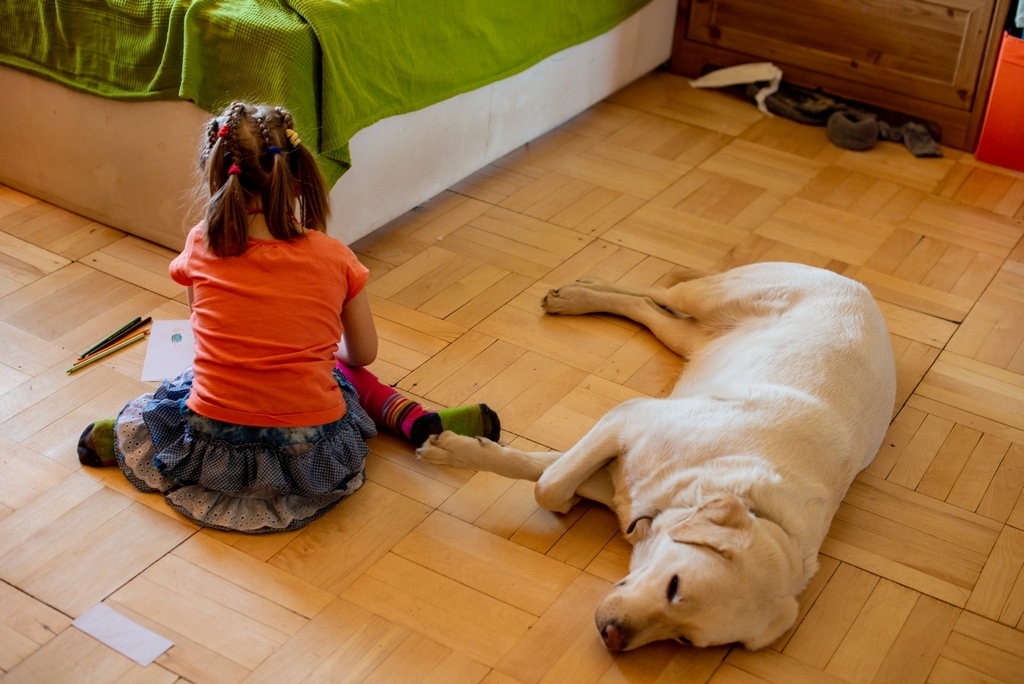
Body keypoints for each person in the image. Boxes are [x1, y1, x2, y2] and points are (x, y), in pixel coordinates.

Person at [76, 102, 500, 533]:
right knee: (339, 368)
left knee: (185, 388)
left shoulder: (203, 242)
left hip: (210, 447)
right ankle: (412, 419)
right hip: (309, 455)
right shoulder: (335, 257)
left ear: (217, 176)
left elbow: (200, 327)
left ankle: (129, 437)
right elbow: (364, 353)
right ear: (299, 175)